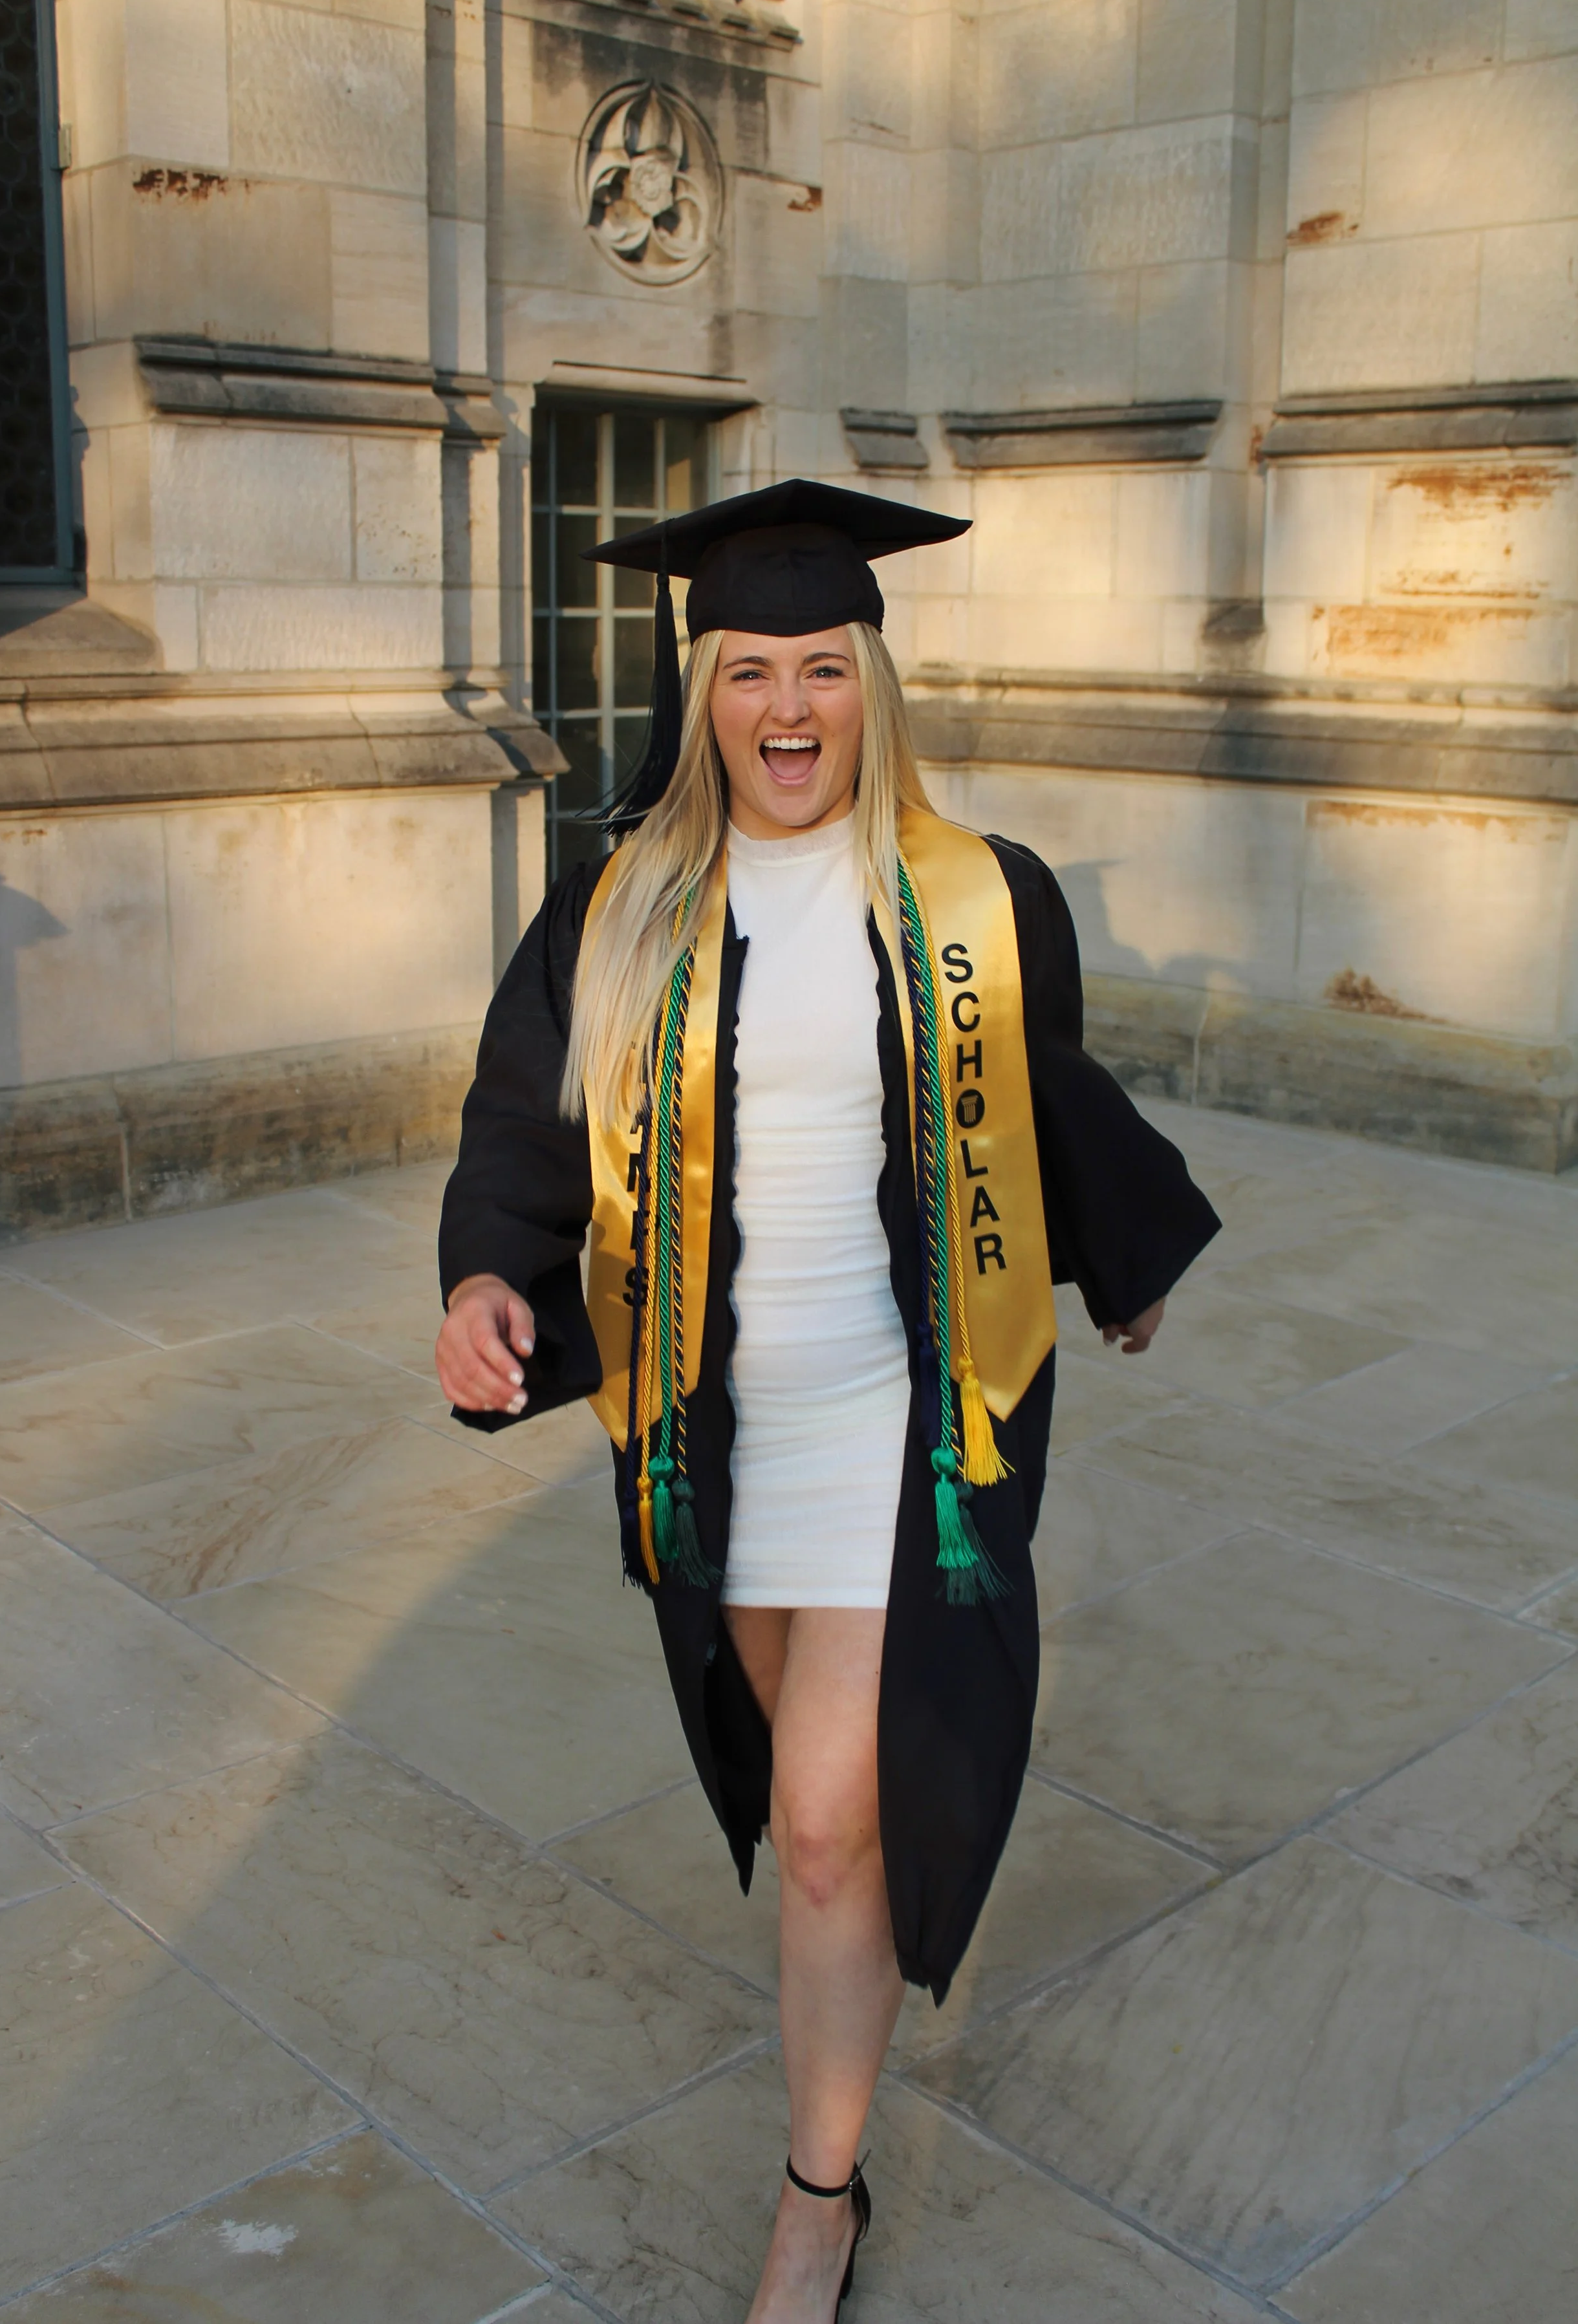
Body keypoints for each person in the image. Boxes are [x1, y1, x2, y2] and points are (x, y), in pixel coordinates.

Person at [437, 480, 1219, 2324]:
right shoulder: (614, 907)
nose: (787, 710)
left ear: (871, 683)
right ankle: (838, 2138)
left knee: (821, 1814)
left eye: (822, 668)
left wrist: (1125, 1250)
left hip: (907, 1420)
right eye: (747, 671)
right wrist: (486, 1279)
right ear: (699, 693)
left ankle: (813, 2194)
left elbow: (1037, 1091)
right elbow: (524, 1133)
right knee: (816, 1821)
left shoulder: (978, 891)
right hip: (714, 1426)